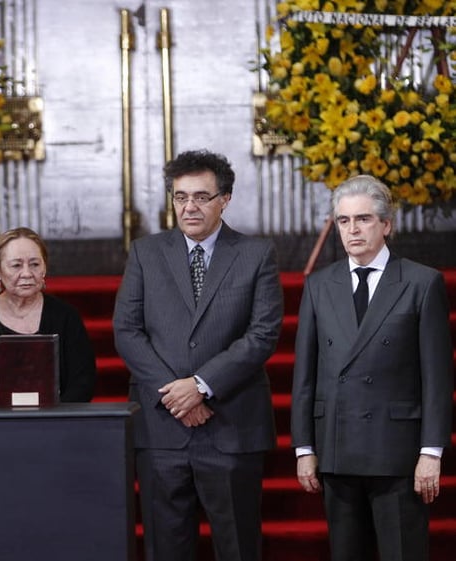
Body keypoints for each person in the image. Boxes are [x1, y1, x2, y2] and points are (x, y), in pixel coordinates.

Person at [113, 149, 283, 561]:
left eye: (202, 197)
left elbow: (261, 335)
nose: (189, 206)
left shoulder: (256, 255)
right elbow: (127, 330)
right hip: (162, 429)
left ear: (225, 199)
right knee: (165, 548)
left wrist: (202, 387)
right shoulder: (145, 253)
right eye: (180, 196)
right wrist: (177, 395)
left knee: (238, 547)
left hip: (231, 425)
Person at [291, 175, 453, 561]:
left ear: (386, 225)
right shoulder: (319, 285)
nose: (353, 230)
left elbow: (436, 378)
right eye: (344, 221)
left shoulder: (421, 283)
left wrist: (431, 452)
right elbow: (304, 376)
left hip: (396, 452)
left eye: (363, 219)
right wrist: (303, 448)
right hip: (337, 448)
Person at [0, 227, 97, 404]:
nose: (27, 273)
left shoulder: (66, 316)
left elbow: (83, 381)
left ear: (45, 267)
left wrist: (56, 418)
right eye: (16, 265)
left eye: (35, 264)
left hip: (57, 424)